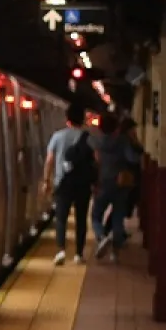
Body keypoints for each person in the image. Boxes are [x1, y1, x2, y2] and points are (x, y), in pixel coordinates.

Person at [42, 103, 97, 265]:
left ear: (67, 118)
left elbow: (50, 160)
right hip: (83, 184)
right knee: (81, 219)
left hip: (63, 183)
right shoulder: (89, 138)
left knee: (61, 218)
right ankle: (79, 254)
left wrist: (46, 181)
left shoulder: (57, 136)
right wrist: (96, 181)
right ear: (82, 119)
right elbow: (96, 160)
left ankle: (60, 251)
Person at [92, 117, 141, 259]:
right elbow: (133, 159)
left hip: (102, 183)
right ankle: (115, 252)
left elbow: (95, 161)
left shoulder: (96, 141)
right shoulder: (123, 141)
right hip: (120, 183)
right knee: (118, 218)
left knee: (96, 216)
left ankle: (101, 237)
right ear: (116, 127)